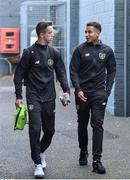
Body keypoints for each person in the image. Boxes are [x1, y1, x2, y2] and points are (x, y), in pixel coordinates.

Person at [14, 21, 70, 178]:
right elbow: (18, 75)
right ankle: (38, 163)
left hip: (50, 97)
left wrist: (66, 90)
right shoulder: (29, 53)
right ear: (42, 34)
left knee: (50, 131)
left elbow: (61, 73)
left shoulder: (54, 53)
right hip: (33, 96)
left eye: (52, 32)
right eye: (50, 32)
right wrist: (18, 96)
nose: (53, 35)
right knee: (35, 129)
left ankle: (40, 151)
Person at [70, 21, 116, 174]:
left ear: (97, 33)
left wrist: (107, 91)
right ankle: (83, 151)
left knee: (97, 125)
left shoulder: (107, 51)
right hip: (82, 94)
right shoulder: (80, 50)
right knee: (82, 125)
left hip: (98, 94)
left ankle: (97, 161)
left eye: (89, 32)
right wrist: (78, 89)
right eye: (86, 32)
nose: (86, 34)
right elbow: (73, 71)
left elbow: (112, 72)